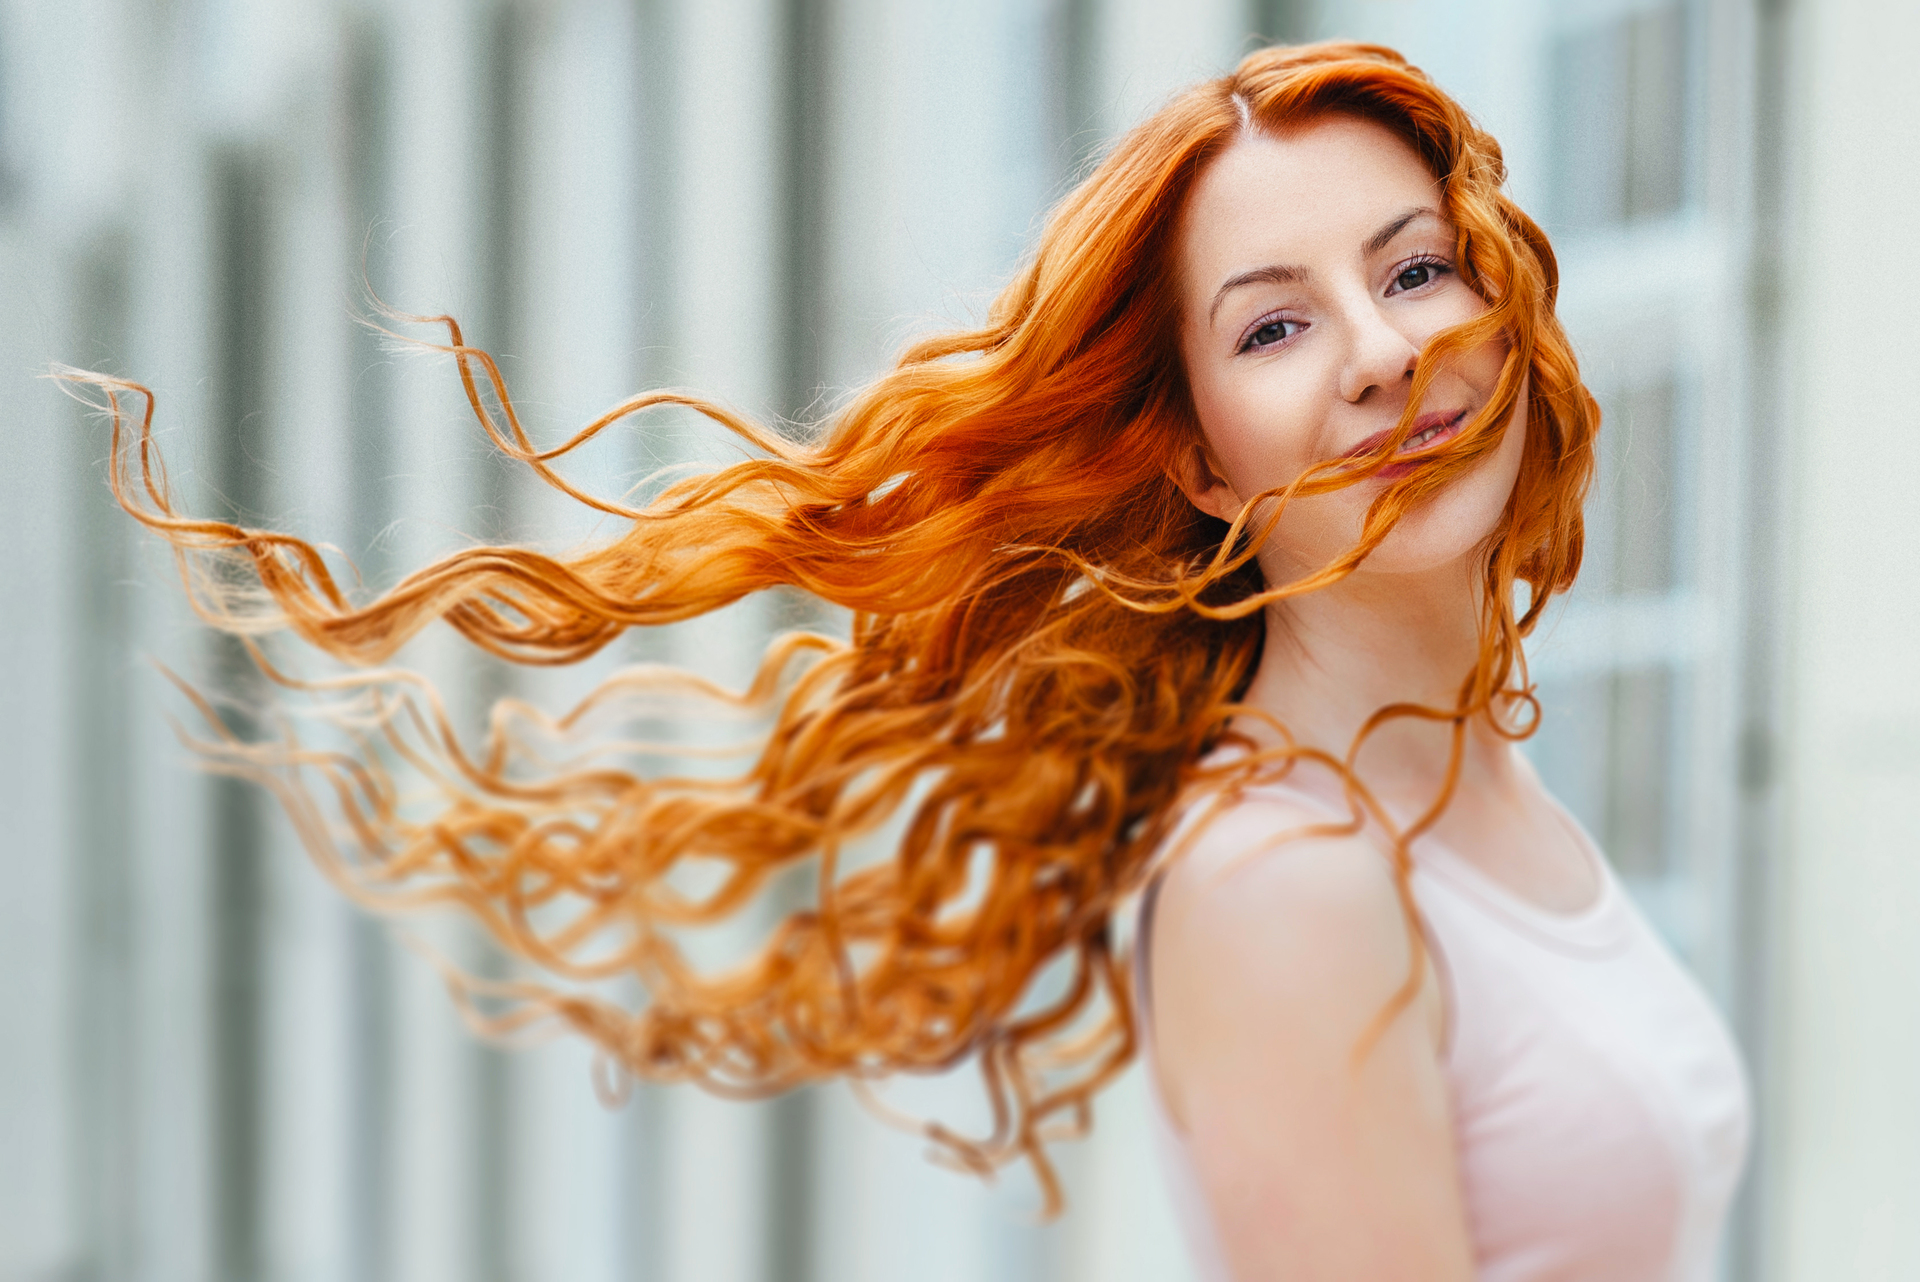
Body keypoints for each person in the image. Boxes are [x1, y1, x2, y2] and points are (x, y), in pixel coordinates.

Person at [67, 39, 1747, 1281]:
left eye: (1414, 268)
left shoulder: (1464, 790)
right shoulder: (1291, 880)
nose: (1384, 352)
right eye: (1275, 324)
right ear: (1202, 464)